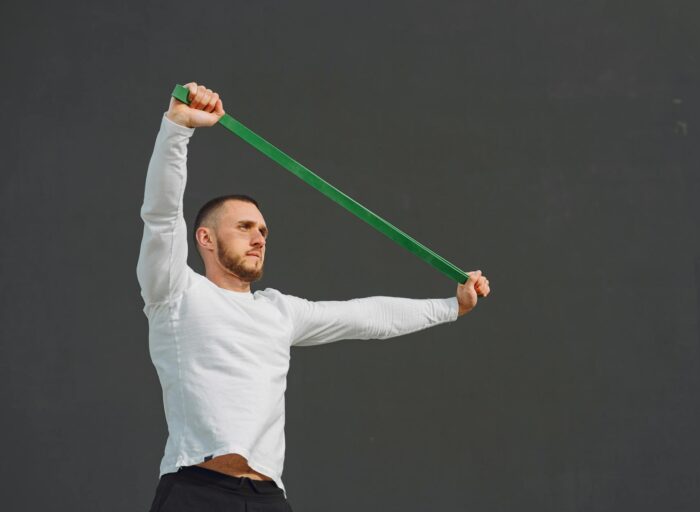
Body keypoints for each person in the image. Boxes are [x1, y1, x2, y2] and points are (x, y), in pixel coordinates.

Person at [138, 82, 491, 512]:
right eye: (244, 227)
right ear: (205, 238)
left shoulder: (279, 311)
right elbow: (160, 216)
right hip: (195, 491)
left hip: (267, 498)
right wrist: (177, 128)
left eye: (263, 231)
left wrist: (452, 306)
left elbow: (368, 317)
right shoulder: (175, 293)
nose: (259, 238)